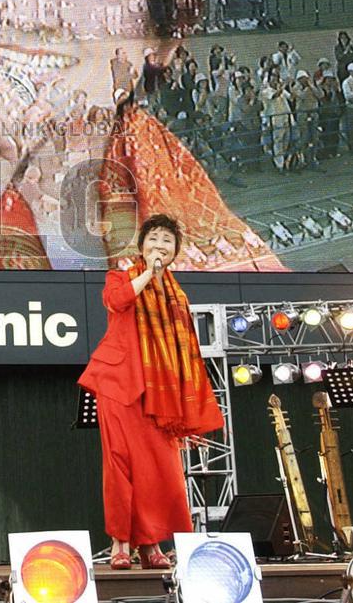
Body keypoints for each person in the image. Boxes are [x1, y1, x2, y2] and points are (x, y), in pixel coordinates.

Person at [78, 214, 223, 569]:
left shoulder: (177, 294)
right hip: (119, 384)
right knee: (119, 464)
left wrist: (186, 411)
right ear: (142, 245)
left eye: (167, 241)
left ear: (175, 251)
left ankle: (150, 544)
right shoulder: (121, 276)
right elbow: (117, 301)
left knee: (158, 469)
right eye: (154, 239)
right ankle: (120, 542)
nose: (160, 246)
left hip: (161, 396)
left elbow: (181, 354)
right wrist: (148, 275)